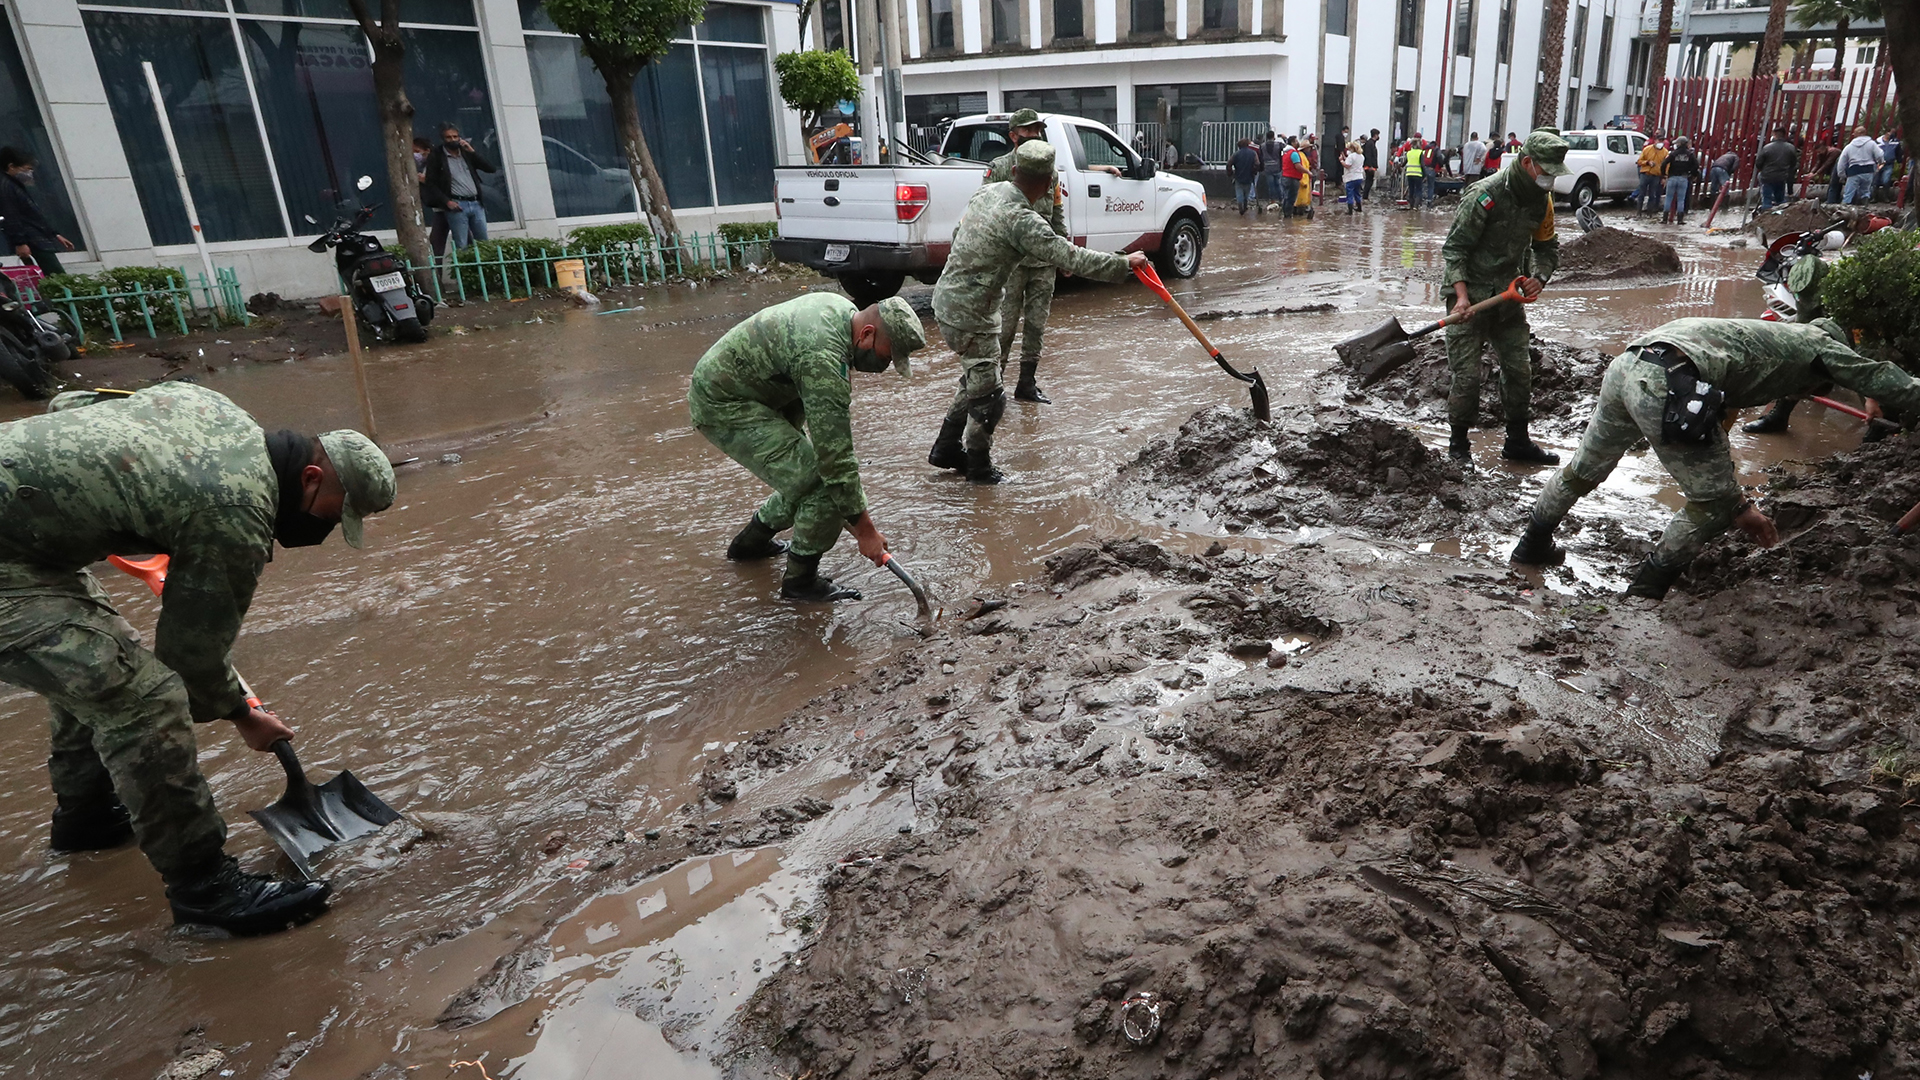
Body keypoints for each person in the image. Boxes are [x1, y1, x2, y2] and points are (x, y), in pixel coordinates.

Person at [0, 383, 394, 935]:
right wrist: (244, 714)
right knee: (142, 698)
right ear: (309, 478)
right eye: (334, 513)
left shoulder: (213, 408)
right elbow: (190, 660)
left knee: (97, 655)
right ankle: (207, 892)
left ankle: (88, 819)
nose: (327, 531)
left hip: (26, 544)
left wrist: (118, 496)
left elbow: (72, 407)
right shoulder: (237, 511)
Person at [1510, 317, 1920, 599]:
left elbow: (1723, 407)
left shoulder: (1763, 335)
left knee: (1584, 469)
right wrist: (1736, 504)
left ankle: (1531, 547)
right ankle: (1644, 594)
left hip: (1628, 366)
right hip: (1669, 383)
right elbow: (1883, 376)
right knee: (1710, 507)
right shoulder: (1821, 348)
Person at [926, 140, 1147, 483]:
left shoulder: (991, 191)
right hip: (971, 313)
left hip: (946, 300)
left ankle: (945, 447)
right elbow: (1071, 257)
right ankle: (979, 469)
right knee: (990, 397)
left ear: (1014, 171)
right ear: (1049, 183)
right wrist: (1125, 263)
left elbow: (959, 233)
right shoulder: (1023, 221)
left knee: (977, 378)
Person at [690, 293, 924, 602]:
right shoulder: (823, 358)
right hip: (724, 401)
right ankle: (801, 582)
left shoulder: (842, 312)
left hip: (763, 387)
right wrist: (865, 531)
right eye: (888, 355)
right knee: (822, 488)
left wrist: (856, 519)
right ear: (867, 334)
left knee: (804, 474)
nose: (886, 364)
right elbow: (836, 460)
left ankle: (751, 545)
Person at [1440, 129, 1569, 466]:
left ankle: (1518, 442)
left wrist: (1540, 277)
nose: (1552, 179)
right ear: (1528, 163)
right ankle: (1458, 448)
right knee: (1467, 377)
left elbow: (1547, 248)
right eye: (1548, 172)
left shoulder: (1541, 201)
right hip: (1468, 296)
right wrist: (1462, 297)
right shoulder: (1485, 195)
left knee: (1519, 370)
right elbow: (1454, 250)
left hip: (1509, 299)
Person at [983, 109, 1093, 405]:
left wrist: (1064, 255)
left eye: (1037, 130)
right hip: (1012, 263)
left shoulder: (1050, 171)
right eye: (1028, 131)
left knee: (1036, 324)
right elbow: (986, 215)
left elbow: (1056, 214)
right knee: (1004, 327)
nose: (1034, 135)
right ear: (1013, 136)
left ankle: (1027, 385)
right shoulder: (1001, 168)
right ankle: (994, 388)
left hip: (1043, 261)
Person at [0, 147, 75, 276]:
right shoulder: (6, 186)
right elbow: (11, 216)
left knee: (45, 276)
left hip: (36, 238)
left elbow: (33, 214)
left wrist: (54, 234)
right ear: (11, 166)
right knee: (54, 276)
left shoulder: (13, 184)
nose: (30, 173)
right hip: (32, 240)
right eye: (26, 169)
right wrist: (20, 242)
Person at [422, 124, 496, 250]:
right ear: (443, 139)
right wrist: (447, 202)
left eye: (455, 136)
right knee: (462, 245)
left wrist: (472, 151)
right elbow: (431, 183)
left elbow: (490, 168)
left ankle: (484, 268)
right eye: (449, 137)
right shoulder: (437, 156)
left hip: (475, 202)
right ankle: (464, 268)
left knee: (484, 244)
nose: (453, 140)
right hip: (457, 204)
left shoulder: (466, 153)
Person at [412, 137, 450, 262]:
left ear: (427, 151)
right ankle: (437, 274)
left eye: (417, 151)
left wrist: (426, 180)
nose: (415, 155)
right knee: (436, 243)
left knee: (464, 240)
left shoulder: (439, 163)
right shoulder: (425, 166)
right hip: (439, 209)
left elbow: (446, 183)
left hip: (448, 207)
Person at [1838, 125, 1882, 205]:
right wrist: (1880, 162)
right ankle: (1865, 207)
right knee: (1865, 191)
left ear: (1858, 134)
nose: (1853, 135)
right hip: (1868, 170)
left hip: (1854, 171)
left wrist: (1841, 174)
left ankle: (1844, 208)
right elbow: (1880, 154)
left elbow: (1842, 160)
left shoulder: (1849, 146)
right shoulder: (1872, 144)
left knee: (1848, 193)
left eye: (1854, 133)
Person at [1756, 128, 1798, 210]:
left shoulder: (1767, 148)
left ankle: (1765, 213)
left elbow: (1758, 163)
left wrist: (1763, 170)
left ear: (1774, 135)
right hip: (1782, 176)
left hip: (1767, 176)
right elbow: (1793, 163)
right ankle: (1780, 216)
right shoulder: (1791, 148)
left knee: (1766, 198)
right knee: (1780, 198)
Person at [1662, 136, 1700, 224]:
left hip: (1672, 178)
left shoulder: (1673, 154)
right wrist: (1691, 173)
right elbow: (1696, 165)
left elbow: (1664, 164)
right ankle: (1680, 220)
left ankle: (1664, 219)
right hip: (1683, 178)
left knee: (1668, 198)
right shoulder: (1689, 154)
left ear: (1679, 144)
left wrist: (1664, 175)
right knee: (1681, 199)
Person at [1636, 135, 1668, 214]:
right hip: (1645, 174)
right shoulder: (1647, 149)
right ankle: (1638, 212)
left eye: (1662, 141)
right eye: (1659, 140)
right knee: (1641, 194)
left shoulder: (1665, 152)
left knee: (1652, 195)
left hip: (1656, 176)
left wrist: (1664, 177)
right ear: (1655, 141)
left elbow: (1667, 165)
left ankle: (1649, 213)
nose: (1660, 142)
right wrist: (1647, 162)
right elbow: (1639, 161)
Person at [1230, 138, 1259, 214]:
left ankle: (1240, 208)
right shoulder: (1253, 153)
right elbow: (1257, 164)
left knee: (1239, 193)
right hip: (1249, 176)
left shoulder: (1236, 154)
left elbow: (1229, 164)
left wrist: (1230, 174)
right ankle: (1245, 206)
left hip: (1238, 176)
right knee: (1247, 192)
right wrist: (1254, 171)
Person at [1278, 136, 1306, 218]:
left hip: (1285, 177)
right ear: (1293, 143)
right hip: (1292, 178)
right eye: (1296, 141)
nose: (1298, 142)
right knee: (1291, 198)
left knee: (1286, 197)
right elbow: (1297, 166)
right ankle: (1288, 216)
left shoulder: (1285, 152)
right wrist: (1307, 172)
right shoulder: (1294, 153)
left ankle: (1285, 215)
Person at [1259, 129, 1285, 208]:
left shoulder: (1262, 146)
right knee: (1279, 185)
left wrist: (1261, 167)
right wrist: (1284, 138)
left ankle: (1272, 200)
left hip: (1267, 168)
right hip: (1277, 167)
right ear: (1274, 137)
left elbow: (1260, 157)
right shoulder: (1279, 144)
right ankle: (1282, 200)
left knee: (1271, 186)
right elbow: (1289, 147)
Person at [1341, 141, 1365, 214]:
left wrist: (1341, 161)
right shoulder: (1361, 156)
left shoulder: (1351, 156)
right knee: (1357, 193)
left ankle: (1350, 211)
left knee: (1350, 194)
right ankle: (1359, 207)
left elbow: (1348, 165)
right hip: (1359, 177)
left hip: (1351, 177)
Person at [1404, 135, 1427, 209]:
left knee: (1411, 190)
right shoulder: (1420, 153)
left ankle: (1411, 205)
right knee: (1418, 190)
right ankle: (1416, 206)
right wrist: (1425, 174)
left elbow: (1404, 163)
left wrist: (1400, 166)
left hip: (1409, 174)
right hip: (1418, 174)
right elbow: (1422, 165)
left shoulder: (1409, 153)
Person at [1362, 130, 1380, 200]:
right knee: (1369, 181)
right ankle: (1365, 196)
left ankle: (1365, 196)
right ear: (1375, 135)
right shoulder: (1370, 144)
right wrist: (1370, 166)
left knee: (1370, 180)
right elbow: (1368, 155)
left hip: (1371, 166)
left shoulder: (1371, 143)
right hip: (1369, 166)